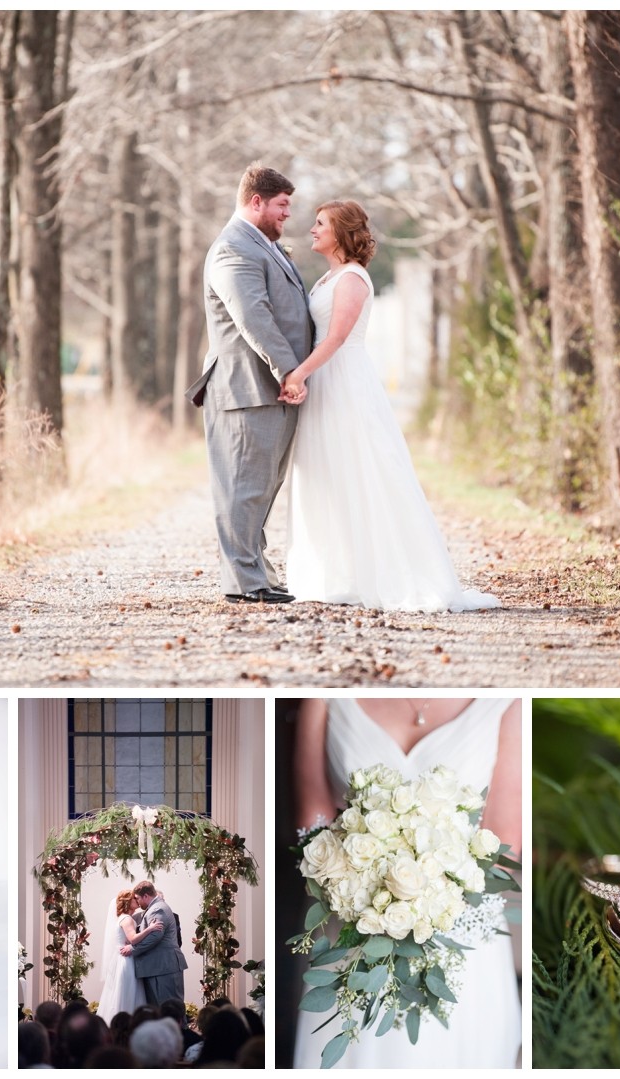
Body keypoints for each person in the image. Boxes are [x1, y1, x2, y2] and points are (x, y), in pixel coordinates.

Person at [280, 200, 501, 612]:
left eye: (321, 223)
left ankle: (384, 572)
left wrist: (299, 374)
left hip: (344, 381)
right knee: (328, 471)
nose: (312, 229)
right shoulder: (328, 278)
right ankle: (336, 572)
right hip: (325, 379)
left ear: (340, 232)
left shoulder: (352, 278)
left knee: (362, 468)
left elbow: (336, 338)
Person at [290, 697, 522, 1069]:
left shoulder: (508, 700)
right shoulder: (324, 693)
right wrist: (358, 885)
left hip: (457, 930)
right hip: (350, 925)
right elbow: (311, 822)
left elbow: (504, 838)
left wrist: (429, 899)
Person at [186, 162, 313, 605]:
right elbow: (253, 316)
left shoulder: (263, 245)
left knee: (262, 488)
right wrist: (289, 371)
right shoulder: (232, 249)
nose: (288, 214)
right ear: (256, 201)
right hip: (246, 389)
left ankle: (258, 572)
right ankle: (243, 582)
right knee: (243, 488)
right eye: (282, 205)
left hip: (268, 391)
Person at [96, 889, 165, 1020]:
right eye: (134, 898)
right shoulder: (127, 919)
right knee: (128, 991)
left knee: (122, 992)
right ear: (128, 902)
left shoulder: (124, 918)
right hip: (126, 960)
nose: (137, 900)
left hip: (121, 959)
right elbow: (133, 939)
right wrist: (150, 929)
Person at [119, 881, 188, 1005]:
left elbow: (155, 936)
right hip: (158, 967)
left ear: (146, 896)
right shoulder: (155, 908)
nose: (138, 902)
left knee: (169, 1008)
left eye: (138, 898)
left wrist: (133, 948)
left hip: (163, 967)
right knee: (160, 1009)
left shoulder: (157, 909)